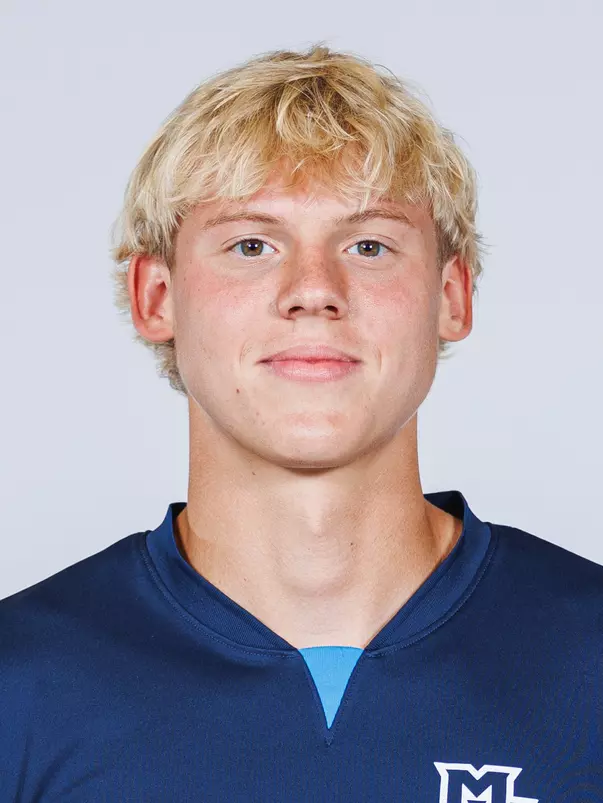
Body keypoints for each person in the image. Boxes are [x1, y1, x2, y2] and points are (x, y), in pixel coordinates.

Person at [1, 43, 601, 803]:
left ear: (452, 297)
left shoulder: (590, 659)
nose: (313, 289)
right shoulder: (18, 684)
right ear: (157, 298)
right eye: (251, 244)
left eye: (368, 244)